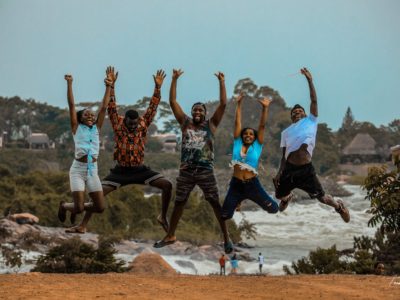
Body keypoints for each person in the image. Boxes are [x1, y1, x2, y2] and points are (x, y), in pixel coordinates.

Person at [65, 69, 173, 233]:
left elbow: (153, 106)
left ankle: (163, 216)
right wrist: (112, 85)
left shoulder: (143, 123)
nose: (132, 126)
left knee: (167, 185)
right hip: (120, 171)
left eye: (135, 123)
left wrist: (158, 87)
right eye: (130, 123)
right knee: (97, 199)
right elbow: (110, 106)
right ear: (125, 120)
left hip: (139, 169)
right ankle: (82, 224)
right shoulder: (117, 123)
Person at [154, 69, 233, 253]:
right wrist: (174, 79)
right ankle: (171, 234)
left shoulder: (211, 125)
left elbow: (223, 103)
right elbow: (173, 102)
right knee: (179, 203)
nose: (197, 112)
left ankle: (227, 238)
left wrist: (222, 81)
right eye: (195, 110)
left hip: (205, 170)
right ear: (191, 112)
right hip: (186, 170)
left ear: (205, 113)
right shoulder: (185, 123)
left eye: (201, 110)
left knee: (215, 202)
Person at [273, 67, 350, 222]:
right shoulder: (286, 132)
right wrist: (279, 173)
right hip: (289, 168)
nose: (297, 113)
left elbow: (313, 100)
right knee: (278, 195)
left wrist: (309, 80)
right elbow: (283, 156)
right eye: (294, 113)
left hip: (306, 169)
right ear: (291, 118)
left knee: (321, 198)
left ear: (305, 114)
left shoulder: (311, 121)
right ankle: (287, 198)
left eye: (300, 111)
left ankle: (338, 206)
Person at [58, 67, 113, 225]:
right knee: (80, 208)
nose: (90, 116)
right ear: (80, 119)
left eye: (92, 115)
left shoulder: (97, 128)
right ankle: (67, 206)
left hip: (92, 170)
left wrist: (108, 85)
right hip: (77, 170)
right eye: (86, 114)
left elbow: (104, 107)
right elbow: (72, 105)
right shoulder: (76, 127)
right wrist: (70, 83)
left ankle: (69, 206)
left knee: (100, 207)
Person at [221, 93, 279, 220]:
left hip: (252, 185)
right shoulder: (237, 143)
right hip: (236, 185)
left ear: (254, 137)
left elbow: (262, 126)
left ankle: (284, 199)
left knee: (274, 209)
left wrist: (265, 108)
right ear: (242, 136)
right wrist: (239, 103)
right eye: (245, 134)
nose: (248, 135)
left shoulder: (257, 146)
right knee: (225, 215)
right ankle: (238, 201)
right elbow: (237, 122)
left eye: (251, 134)